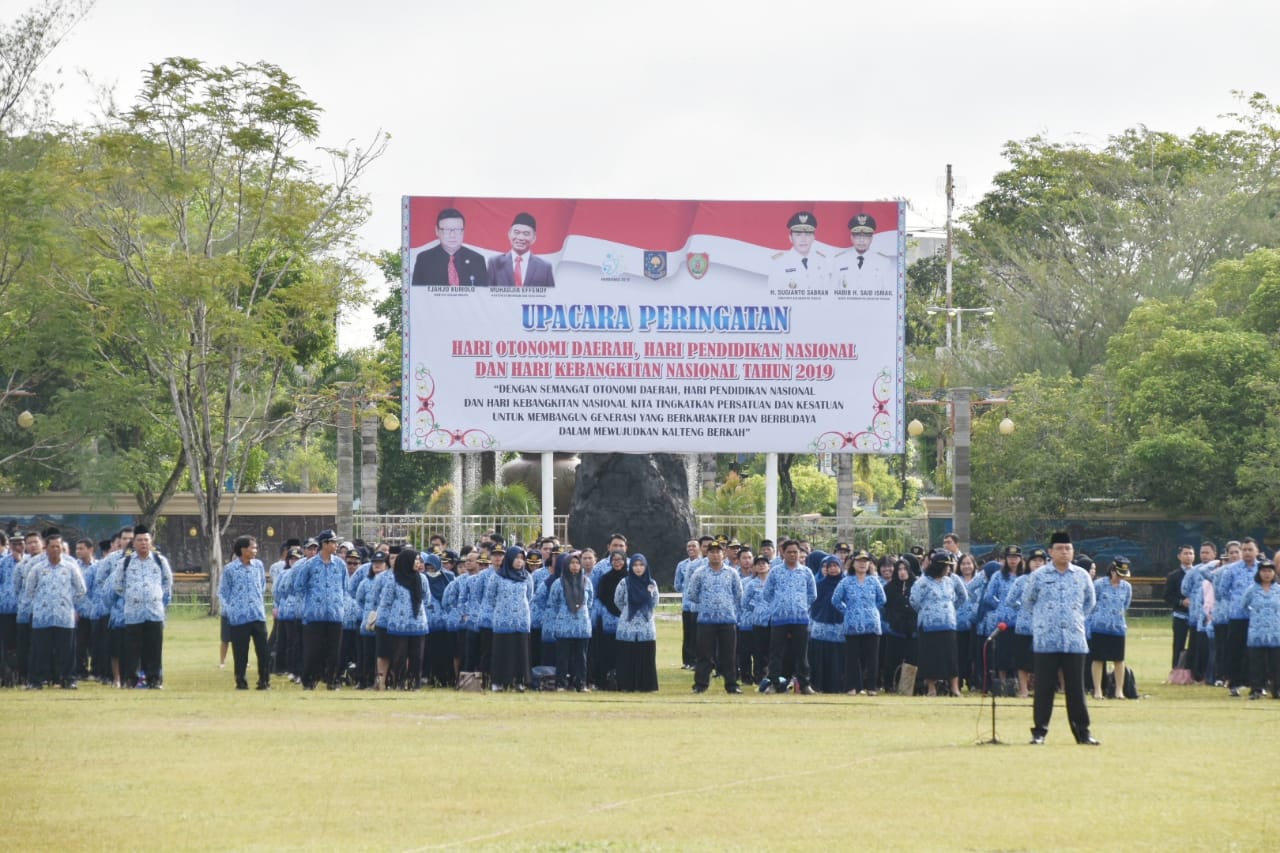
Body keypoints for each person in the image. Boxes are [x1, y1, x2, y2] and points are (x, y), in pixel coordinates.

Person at [1025, 531, 1098, 746]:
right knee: (1044, 688)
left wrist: (1075, 619)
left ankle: (1082, 733)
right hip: (1046, 640)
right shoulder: (1039, 576)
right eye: (1059, 548)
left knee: (1076, 689)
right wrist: (1045, 620)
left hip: (1074, 640)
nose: (1064, 552)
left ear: (1073, 551)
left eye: (1068, 548)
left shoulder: (1081, 576)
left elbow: (1089, 603)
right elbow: (1028, 602)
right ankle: (1039, 732)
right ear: (1050, 552)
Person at [110, 524, 172, 689]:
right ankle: (131, 680)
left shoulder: (160, 561)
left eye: (146, 540)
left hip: (154, 612)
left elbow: (167, 582)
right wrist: (132, 596)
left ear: (150, 542)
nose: (143, 543)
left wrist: (155, 594)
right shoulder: (126, 562)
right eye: (140, 540)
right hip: (133, 613)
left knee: (154, 648)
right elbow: (117, 584)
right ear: (134, 543)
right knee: (132, 649)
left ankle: (154, 680)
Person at [25, 530, 86, 690]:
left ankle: (68, 679)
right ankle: (36, 680)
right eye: (52, 547)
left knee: (66, 651)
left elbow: (81, 589)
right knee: (40, 650)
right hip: (42, 617)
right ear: (46, 548)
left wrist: (68, 602)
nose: (55, 550)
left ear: (62, 547)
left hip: (64, 616)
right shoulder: (37, 568)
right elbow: (29, 590)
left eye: (58, 546)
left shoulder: (70, 567)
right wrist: (39, 604)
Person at [287, 529, 346, 690]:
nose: (336, 545)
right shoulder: (310, 564)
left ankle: (332, 681)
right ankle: (309, 681)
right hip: (314, 615)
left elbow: (344, 587)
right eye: (333, 542)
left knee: (334, 651)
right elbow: (298, 585)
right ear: (325, 544)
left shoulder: (340, 564)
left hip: (335, 614)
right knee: (312, 651)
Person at [760, 539, 818, 694]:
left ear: (800, 554)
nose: (792, 555)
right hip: (779, 619)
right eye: (789, 552)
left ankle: (804, 684)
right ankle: (774, 683)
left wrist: (800, 607)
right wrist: (779, 606)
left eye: (795, 552)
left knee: (801, 654)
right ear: (782, 553)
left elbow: (812, 595)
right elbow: (767, 593)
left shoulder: (806, 572)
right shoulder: (775, 571)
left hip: (800, 619)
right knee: (776, 653)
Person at [686, 540, 743, 694]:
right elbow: (692, 594)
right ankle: (700, 684)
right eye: (712, 552)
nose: (715, 555)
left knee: (729, 655)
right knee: (704, 655)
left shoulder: (731, 573)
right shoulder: (700, 573)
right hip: (706, 620)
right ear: (707, 554)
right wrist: (707, 603)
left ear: (723, 554)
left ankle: (732, 684)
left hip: (727, 620)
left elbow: (738, 594)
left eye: (718, 551)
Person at [218, 535, 270, 691]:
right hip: (239, 617)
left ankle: (264, 681)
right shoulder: (230, 569)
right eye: (252, 547)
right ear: (243, 549)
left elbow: (261, 586)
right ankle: (241, 681)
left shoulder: (258, 566)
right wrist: (230, 610)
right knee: (240, 653)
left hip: (257, 615)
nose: (255, 550)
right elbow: (223, 592)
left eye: (256, 547)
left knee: (263, 651)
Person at [910, 550, 966, 697]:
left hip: (948, 623)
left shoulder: (950, 581)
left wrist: (950, 609)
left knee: (951, 656)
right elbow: (914, 601)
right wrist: (929, 611)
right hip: (928, 625)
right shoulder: (922, 582)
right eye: (946, 566)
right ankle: (931, 688)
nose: (948, 569)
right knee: (930, 656)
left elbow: (962, 597)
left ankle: (954, 688)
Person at [832, 549, 886, 695]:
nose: (862, 564)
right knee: (851, 658)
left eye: (865, 561)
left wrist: (870, 610)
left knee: (872, 658)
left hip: (872, 624)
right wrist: (848, 611)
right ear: (853, 563)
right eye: (859, 561)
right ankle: (851, 687)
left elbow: (882, 600)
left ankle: (871, 687)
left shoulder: (874, 581)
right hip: (852, 625)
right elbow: (836, 600)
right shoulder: (846, 581)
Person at [375, 549, 429, 691]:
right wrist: (381, 621)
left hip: (418, 624)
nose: (418, 563)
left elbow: (426, 598)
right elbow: (386, 601)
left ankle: (414, 683)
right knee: (399, 656)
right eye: (416, 559)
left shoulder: (421, 578)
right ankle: (399, 682)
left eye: (419, 560)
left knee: (417, 656)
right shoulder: (394, 579)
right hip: (398, 624)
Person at [485, 546, 535, 691]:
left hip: (521, 620)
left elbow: (529, 596)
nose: (519, 561)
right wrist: (504, 607)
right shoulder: (498, 576)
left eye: (522, 559)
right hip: (502, 620)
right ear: (509, 559)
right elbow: (491, 597)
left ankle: (519, 681)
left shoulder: (527, 577)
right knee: (502, 651)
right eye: (516, 558)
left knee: (521, 651)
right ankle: (498, 682)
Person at [1217, 537, 1261, 697]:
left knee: (1255, 652)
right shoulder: (1232, 570)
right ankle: (1234, 683)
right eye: (1245, 550)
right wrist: (1236, 602)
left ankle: (1256, 684)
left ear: (1257, 551)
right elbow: (1222, 591)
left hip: (1257, 617)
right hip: (1237, 616)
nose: (1247, 553)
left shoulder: (1263, 569)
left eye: (1250, 549)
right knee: (1235, 650)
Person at [1088, 556, 1133, 700]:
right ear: (1112, 570)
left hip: (1118, 627)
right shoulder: (1099, 584)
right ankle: (1098, 690)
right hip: (1099, 627)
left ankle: (1119, 690)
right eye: (1119, 574)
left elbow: (1125, 605)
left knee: (1119, 659)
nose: (1121, 577)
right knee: (1098, 659)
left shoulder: (1127, 587)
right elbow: (1091, 604)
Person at [614, 553, 659, 692]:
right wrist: (628, 611)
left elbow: (655, 601)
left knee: (646, 656)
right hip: (628, 625)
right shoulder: (624, 583)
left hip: (646, 625)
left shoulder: (651, 583)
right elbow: (618, 601)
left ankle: (646, 686)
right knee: (627, 656)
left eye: (641, 565)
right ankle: (627, 685)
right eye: (635, 565)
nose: (638, 568)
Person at [411, 207, 490, 286]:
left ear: (463, 231)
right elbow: (417, 294)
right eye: (446, 230)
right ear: (437, 231)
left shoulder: (477, 260)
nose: (452, 235)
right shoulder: (424, 259)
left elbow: (483, 295)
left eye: (458, 229)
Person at [548, 551, 592, 691]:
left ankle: (580, 683)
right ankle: (561, 683)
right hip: (564, 624)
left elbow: (589, 601)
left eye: (577, 563)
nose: (574, 566)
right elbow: (553, 603)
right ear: (566, 565)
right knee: (563, 657)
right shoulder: (558, 583)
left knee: (581, 657)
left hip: (582, 624)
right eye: (571, 563)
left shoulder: (586, 581)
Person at [808, 553, 847, 694]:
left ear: (841, 567)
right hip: (822, 626)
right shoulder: (819, 585)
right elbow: (814, 603)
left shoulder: (846, 583)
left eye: (835, 565)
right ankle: (819, 685)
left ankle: (837, 686)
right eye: (829, 566)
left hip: (840, 626)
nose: (832, 569)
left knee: (838, 657)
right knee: (821, 657)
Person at [1241, 559, 1280, 699]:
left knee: (1276, 663)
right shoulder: (1252, 590)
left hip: (1276, 632)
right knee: (1257, 662)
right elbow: (1244, 606)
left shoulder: (1278, 590)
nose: (1267, 574)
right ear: (1259, 572)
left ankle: (1277, 689)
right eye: (1264, 571)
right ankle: (1257, 689)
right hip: (1257, 631)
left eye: (1270, 571)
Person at [486, 212, 555, 287]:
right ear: (509, 233)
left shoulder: (544, 267)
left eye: (526, 234)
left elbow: (550, 297)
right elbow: (487, 294)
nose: (520, 238)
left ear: (534, 237)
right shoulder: (494, 263)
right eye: (516, 232)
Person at [832, 212, 897, 291]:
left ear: (871, 238)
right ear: (851, 238)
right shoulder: (839, 260)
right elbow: (833, 292)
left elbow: (888, 293)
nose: (861, 240)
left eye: (866, 236)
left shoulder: (884, 262)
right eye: (857, 235)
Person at [767, 211, 828, 290]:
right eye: (798, 235)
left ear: (813, 238)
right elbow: (773, 297)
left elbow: (828, 295)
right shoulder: (779, 263)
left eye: (808, 234)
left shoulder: (822, 261)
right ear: (790, 238)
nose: (803, 239)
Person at [881, 559, 917, 693]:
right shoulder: (889, 587)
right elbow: (884, 606)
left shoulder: (916, 585)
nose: (902, 572)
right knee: (892, 658)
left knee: (912, 658)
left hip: (913, 628)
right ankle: (890, 684)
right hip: (895, 628)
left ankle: (909, 686)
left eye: (904, 569)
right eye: (899, 570)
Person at [674, 538, 702, 670]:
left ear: (700, 548)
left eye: (694, 546)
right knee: (688, 632)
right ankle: (687, 660)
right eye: (688, 547)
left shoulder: (704, 563)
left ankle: (697, 660)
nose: (691, 549)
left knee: (698, 634)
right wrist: (686, 587)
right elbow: (677, 585)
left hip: (699, 605)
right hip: (686, 604)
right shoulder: (682, 565)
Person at [1165, 545, 1194, 671]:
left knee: (1195, 645)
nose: (1188, 556)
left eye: (1191, 553)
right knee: (1178, 644)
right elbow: (1167, 596)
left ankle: (1193, 672)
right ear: (1179, 556)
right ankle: (1176, 670)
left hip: (1196, 617)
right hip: (1180, 615)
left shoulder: (1198, 573)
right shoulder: (1173, 576)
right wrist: (1181, 602)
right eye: (1186, 553)